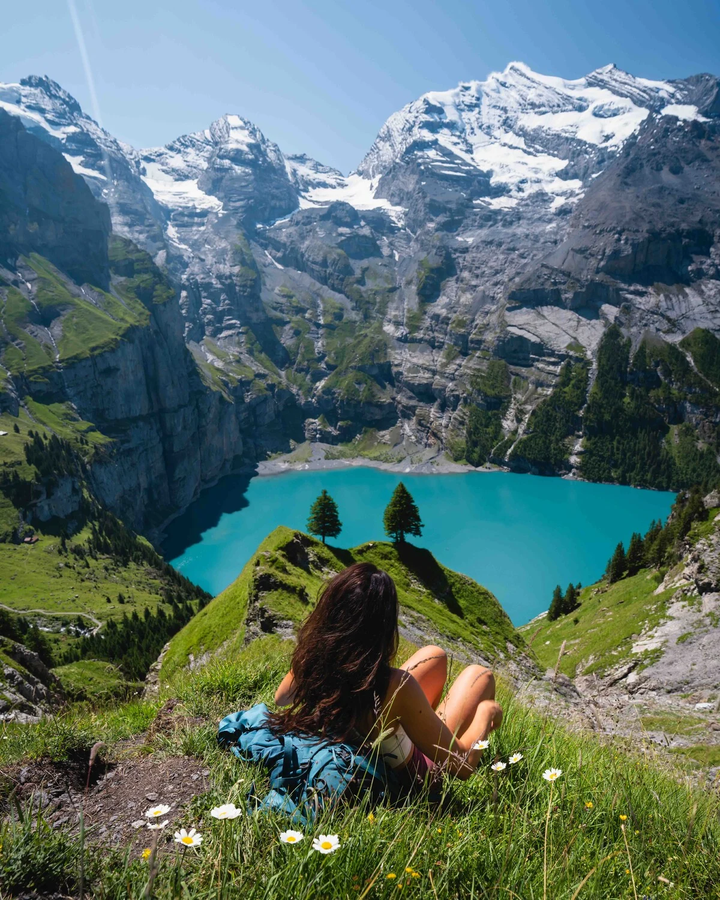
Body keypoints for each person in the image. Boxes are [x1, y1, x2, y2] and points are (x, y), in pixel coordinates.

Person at [270, 561, 503, 786]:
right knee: (480, 675)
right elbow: (462, 767)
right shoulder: (396, 686)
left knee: (435, 655)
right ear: (382, 626)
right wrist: (486, 712)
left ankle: (418, 725)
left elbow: (281, 698)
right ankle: (424, 730)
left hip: (363, 736)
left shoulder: (313, 660)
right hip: (419, 777)